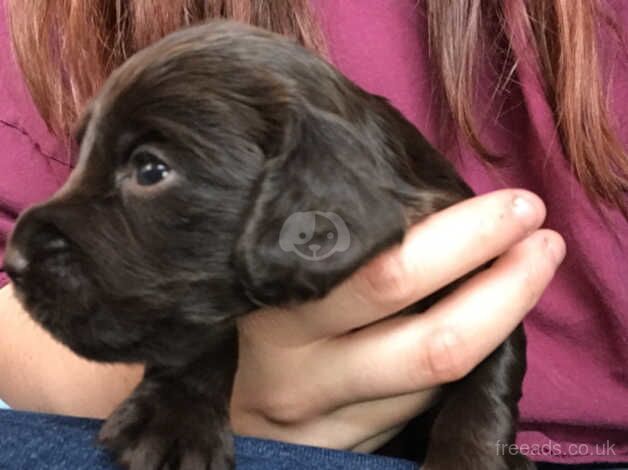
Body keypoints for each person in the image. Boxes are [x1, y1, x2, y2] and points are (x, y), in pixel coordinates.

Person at [0, 0, 625, 469]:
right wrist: (182, 387)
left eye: (150, 169)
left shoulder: (381, 188)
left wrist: (477, 446)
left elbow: (491, 336)